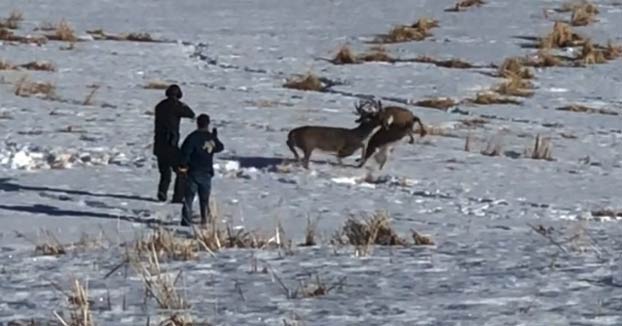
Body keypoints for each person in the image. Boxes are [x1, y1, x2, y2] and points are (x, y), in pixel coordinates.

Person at [178, 114, 224, 226]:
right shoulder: (210, 137)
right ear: (208, 124)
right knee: (204, 200)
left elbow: (184, 152)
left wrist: (182, 166)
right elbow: (220, 147)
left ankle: (186, 221)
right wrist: (215, 137)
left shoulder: (192, 137)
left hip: (193, 172)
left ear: (197, 123)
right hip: (206, 172)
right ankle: (205, 220)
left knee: (188, 198)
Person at [153, 84, 195, 202]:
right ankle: (178, 196)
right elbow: (190, 113)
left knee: (165, 173)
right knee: (181, 171)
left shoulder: (160, 106)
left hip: (159, 144)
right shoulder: (177, 106)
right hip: (171, 145)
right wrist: (181, 103)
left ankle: (162, 192)